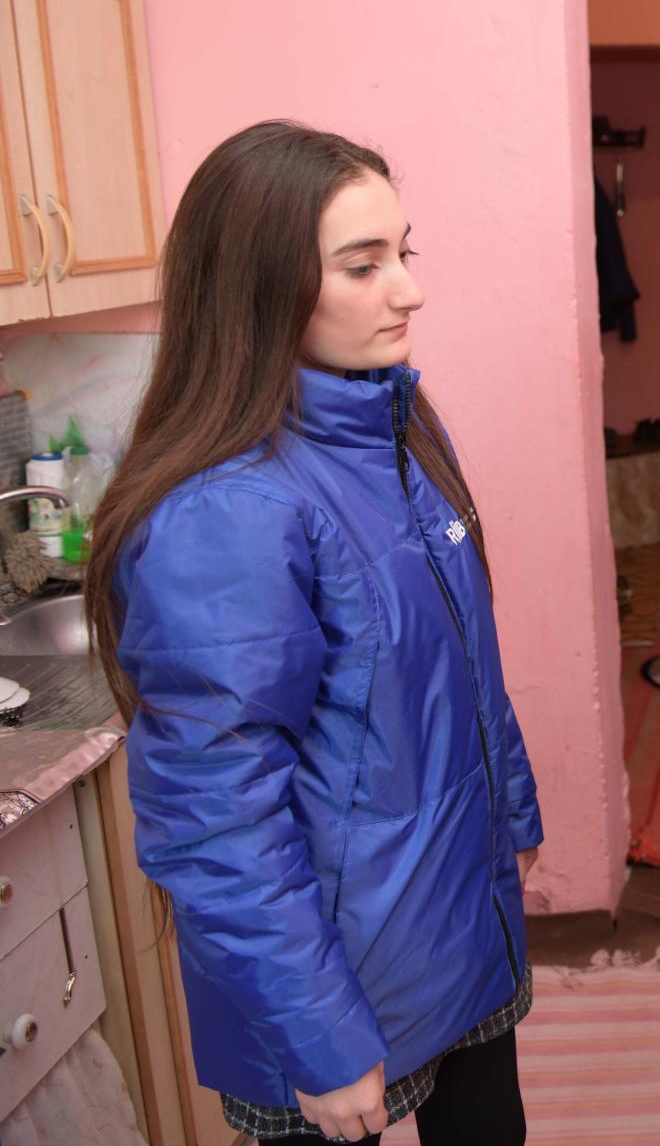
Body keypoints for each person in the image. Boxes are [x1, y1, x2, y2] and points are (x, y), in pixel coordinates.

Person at [85, 121, 542, 1145]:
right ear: (260, 285)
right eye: (361, 264)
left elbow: (465, 674)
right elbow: (217, 823)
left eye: (403, 252)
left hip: (457, 931)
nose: (408, 290)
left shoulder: (398, 429)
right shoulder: (224, 511)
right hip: (334, 993)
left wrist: (508, 826)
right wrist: (321, 1035)